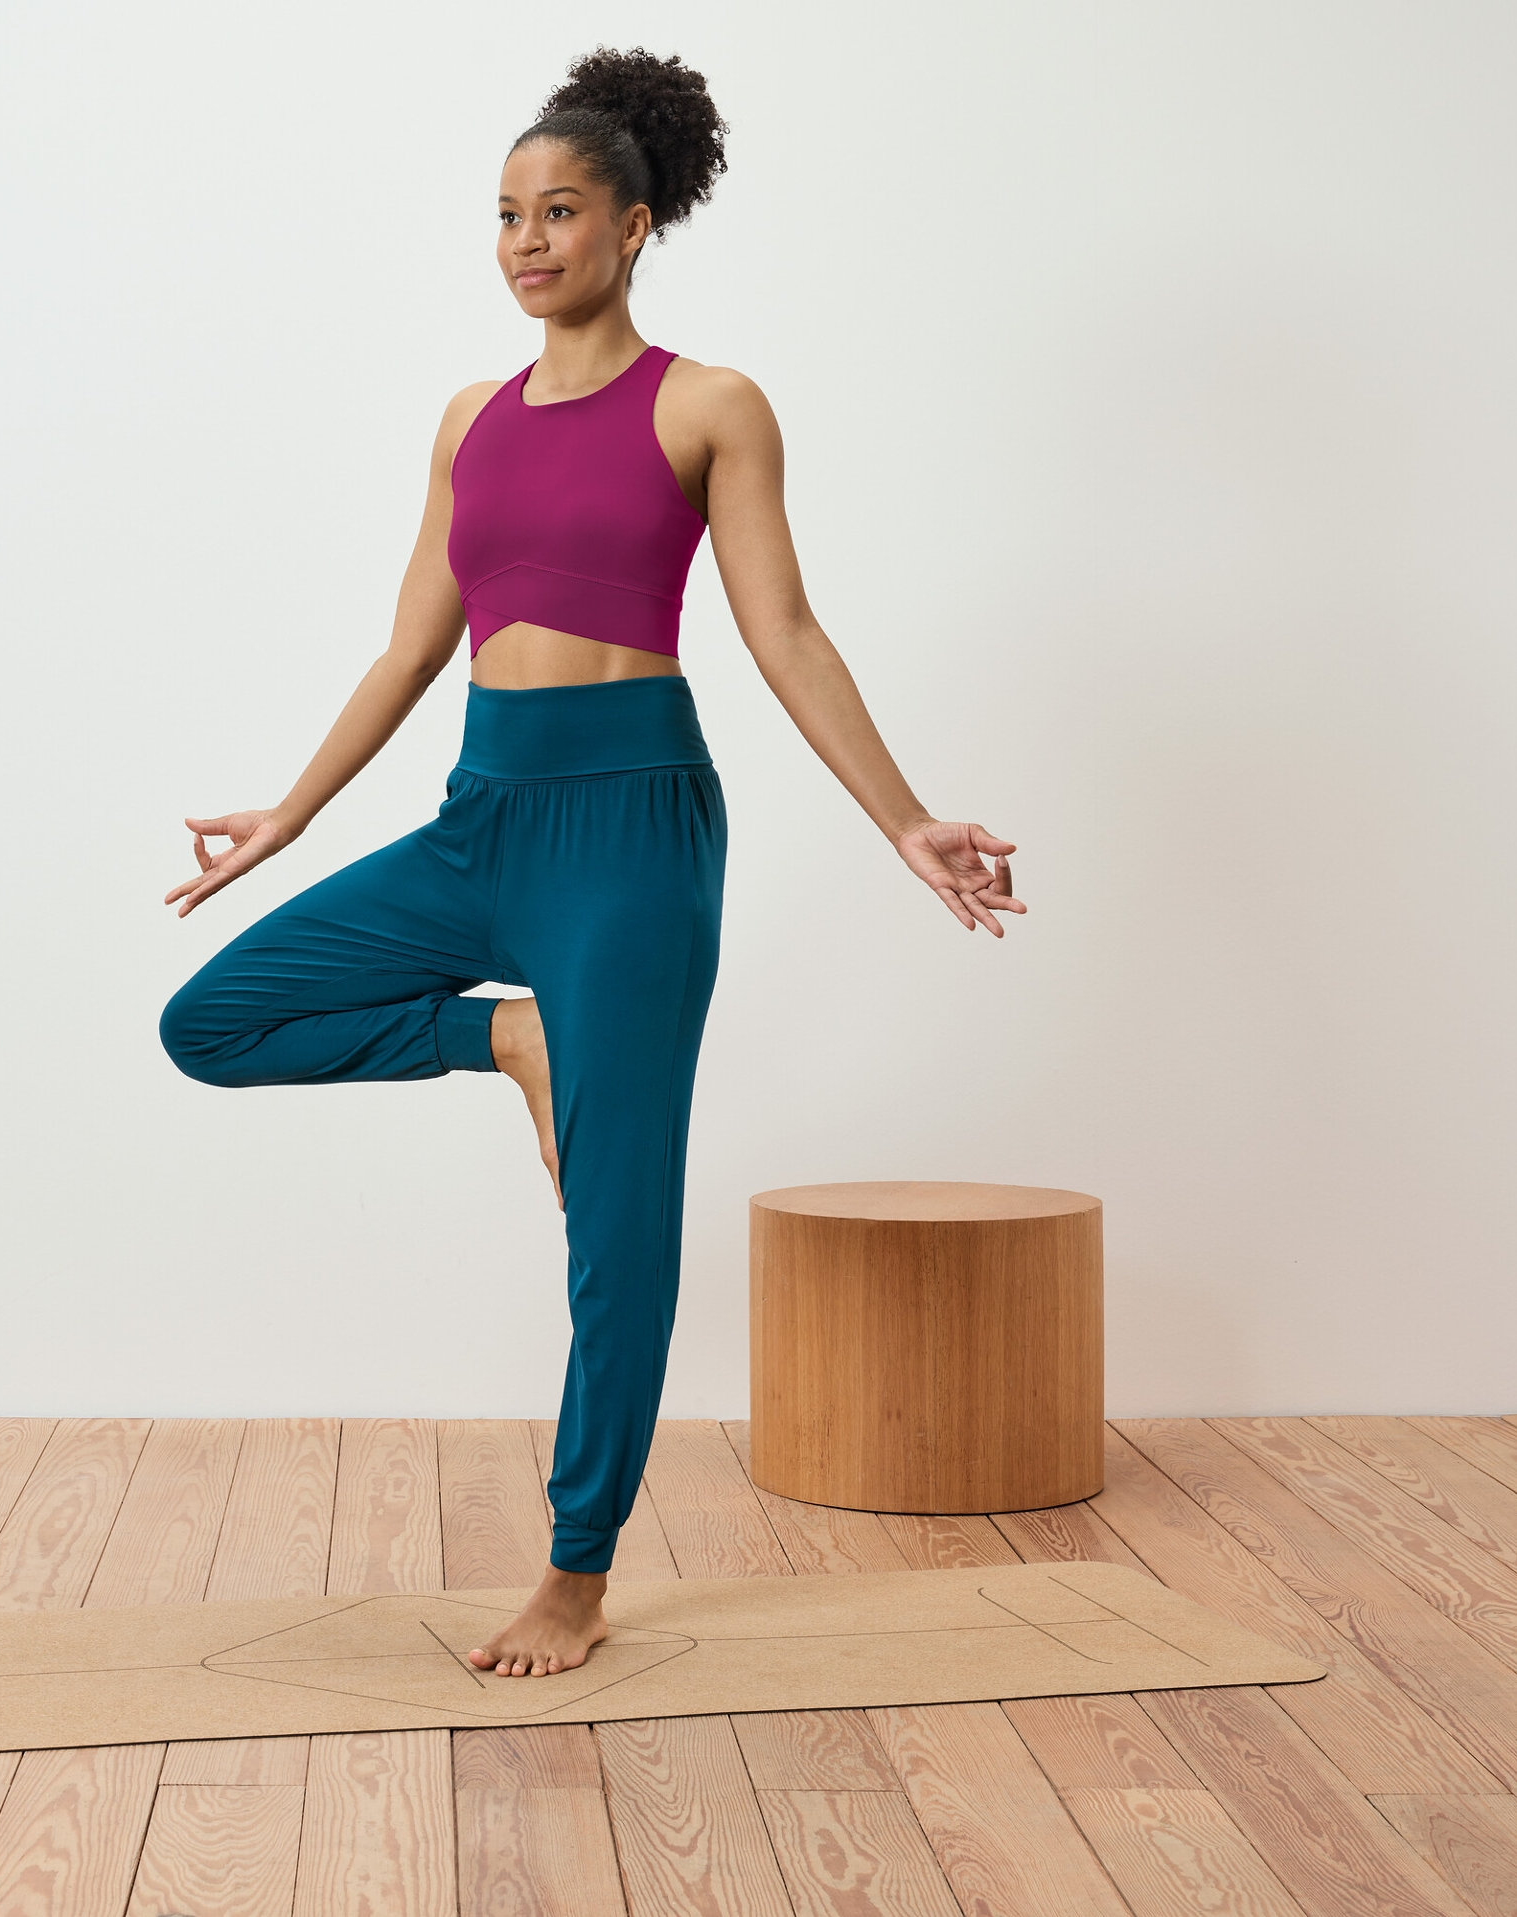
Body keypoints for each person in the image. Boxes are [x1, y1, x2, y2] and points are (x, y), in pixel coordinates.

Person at [158, 47, 1025, 1677]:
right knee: (210, 1021)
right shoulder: (465, 419)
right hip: (479, 818)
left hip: (630, 828)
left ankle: (575, 1568)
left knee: (616, 1224)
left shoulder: (708, 406)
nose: (523, 240)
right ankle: (510, 1032)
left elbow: (783, 632)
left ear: (634, 227)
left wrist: (903, 818)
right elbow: (408, 648)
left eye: (558, 211)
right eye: (503, 213)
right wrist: (290, 811)